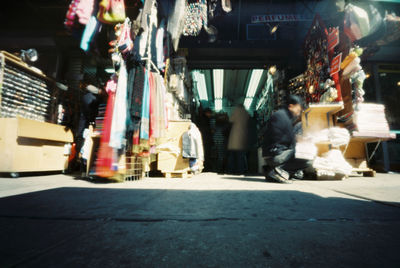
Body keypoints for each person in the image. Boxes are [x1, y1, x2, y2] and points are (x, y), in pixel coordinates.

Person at [262, 95, 312, 183]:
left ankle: (279, 171)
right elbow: (291, 140)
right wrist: (304, 142)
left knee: (302, 153)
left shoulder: (281, 115)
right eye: (298, 109)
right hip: (275, 155)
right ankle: (277, 171)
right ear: (291, 106)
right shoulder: (283, 117)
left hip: (272, 153)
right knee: (307, 157)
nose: (298, 112)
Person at [227, 104, 250, 174]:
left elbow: (230, 120)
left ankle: (231, 171)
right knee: (241, 156)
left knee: (232, 156)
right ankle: (240, 171)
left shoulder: (236, 111)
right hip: (242, 136)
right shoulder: (246, 113)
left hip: (234, 136)